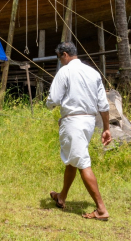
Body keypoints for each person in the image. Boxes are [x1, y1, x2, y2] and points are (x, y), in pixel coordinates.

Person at [45, 41, 111, 220]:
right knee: (72, 161)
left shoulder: (64, 71)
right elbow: (103, 105)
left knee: (82, 162)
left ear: (64, 55)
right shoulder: (93, 72)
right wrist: (106, 128)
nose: (60, 61)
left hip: (73, 122)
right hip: (89, 122)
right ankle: (62, 196)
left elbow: (53, 99)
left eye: (60, 57)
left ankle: (101, 209)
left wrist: (48, 104)